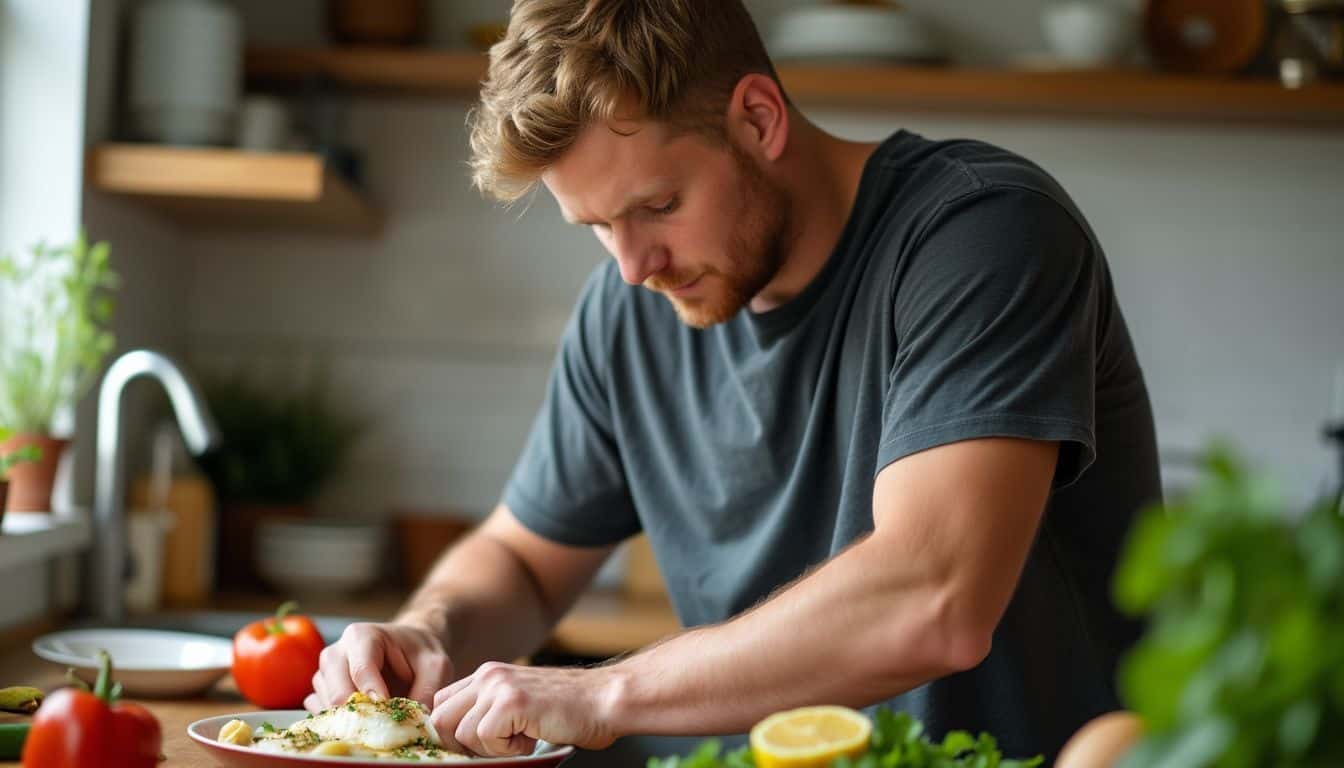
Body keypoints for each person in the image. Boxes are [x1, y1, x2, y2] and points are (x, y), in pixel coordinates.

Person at [306, 0, 1161, 762]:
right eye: (597, 226)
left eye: (657, 205)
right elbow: (523, 564)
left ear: (758, 117)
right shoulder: (629, 307)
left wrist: (601, 694)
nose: (635, 265)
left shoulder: (984, 234)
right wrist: (429, 628)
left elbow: (934, 597)